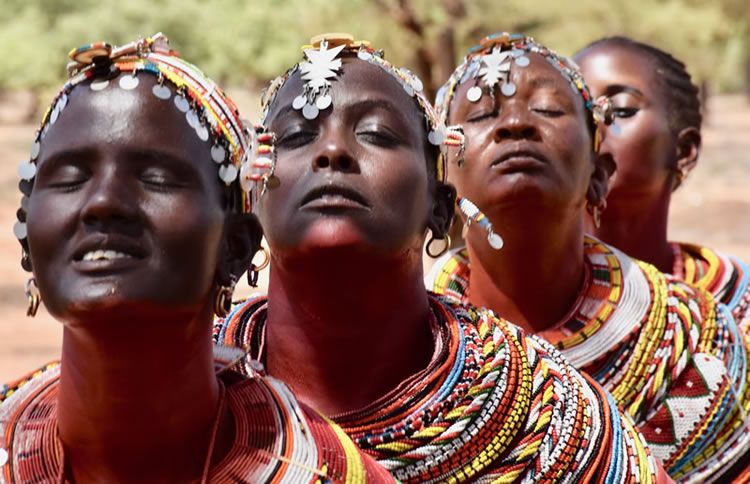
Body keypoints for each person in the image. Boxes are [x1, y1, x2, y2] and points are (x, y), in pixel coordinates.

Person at [216, 33, 665, 482]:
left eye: (376, 133)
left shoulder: (556, 422)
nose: (332, 152)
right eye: (297, 135)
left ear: (439, 208)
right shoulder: (189, 399)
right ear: (250, 200)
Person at [0, 34, 392, 483]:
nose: (104, 202)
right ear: (28, 236)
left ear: (235, 247)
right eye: (70, 179)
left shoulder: (335, 473)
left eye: (156, 178)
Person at [425, 32, 750, 481]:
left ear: (598, 176)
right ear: (438, 192)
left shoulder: (697, 345)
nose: (515, 124)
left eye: (548, 110)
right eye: (482, 114)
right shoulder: (404, 358)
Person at [573, 36, 749, 330]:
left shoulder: (735, 310)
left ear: (684, 151)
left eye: (620, 109)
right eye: (573, 110)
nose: (591, 127)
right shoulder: (509, 307)